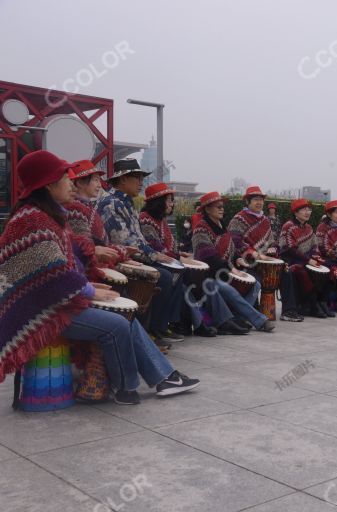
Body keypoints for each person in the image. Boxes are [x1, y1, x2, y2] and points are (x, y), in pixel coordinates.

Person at [0, 150, 200, 405]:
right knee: (116, 325)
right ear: (48, 184)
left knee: (122, 315)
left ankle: (165, 377)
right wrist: (88, 291)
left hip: (51, 301)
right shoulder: (33, 220)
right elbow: (52, 277)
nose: (71, 183)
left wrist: (86, 285)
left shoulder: (44, 215)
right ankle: (126, 388)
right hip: (38, 311)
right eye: (65, 177)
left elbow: (55, 272)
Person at [96, 158, 188, 347]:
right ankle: (153, 331)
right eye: (137, 178)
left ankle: (160, 327)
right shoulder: (111, 203)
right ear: (122, 180)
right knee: (163, 276)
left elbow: (138, 239)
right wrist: (154, 255)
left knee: (176, 272)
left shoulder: (127, 203)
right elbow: (123, 240)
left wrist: (157, 254)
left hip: (135, 255)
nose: (141, 182)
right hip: (119, 257)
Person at [139, 183, 218, 337]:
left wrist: (180, 254)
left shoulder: (161, 220)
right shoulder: (145, 219)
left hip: (166, 263)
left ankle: (185, 324)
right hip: (152, 263)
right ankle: (197, 323)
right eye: (168, 200)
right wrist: (180, 258)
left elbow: (170, 247)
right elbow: (156, 247)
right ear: (158, 201)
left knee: (189, 285)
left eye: (171, 200)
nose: (172, 204)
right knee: (185, 284)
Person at [192, 191, 276, 333]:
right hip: (209, 276)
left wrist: (238, 258)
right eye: (217, 206)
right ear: (207, 209)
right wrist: (232, 269)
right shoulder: (201, 228)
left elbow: (232, 248)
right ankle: (260, 321)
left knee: (255, 284)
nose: (221, 209)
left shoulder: (221, 226)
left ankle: (237, 319)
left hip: (225, 272)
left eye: (222, 206)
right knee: (228, 289)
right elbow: (209, 257)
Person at [228, 186, 302, 322]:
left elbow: (272, 241)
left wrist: (274, 249)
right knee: (254, 279)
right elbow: (235, 241)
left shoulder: (265, 220)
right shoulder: (238, 219)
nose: (259, 202)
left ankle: (289, 311)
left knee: (287, 271)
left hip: (265, 261)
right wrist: (254, 254)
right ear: (247, 202)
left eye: (261, 199)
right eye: (255, 199)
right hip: (246, 262)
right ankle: (252, 312)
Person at [64, 160, 136, 278]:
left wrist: (121, 251)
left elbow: (97, 244)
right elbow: (87, 248)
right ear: (80, 182)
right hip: (89, 271)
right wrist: (120, 252)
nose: (100, 185)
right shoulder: (75, 208)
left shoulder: (87, 206)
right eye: (95, 180)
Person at [279, 198, 333, 318]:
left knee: (329, 267)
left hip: (307, 260)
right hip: (291, 261)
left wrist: (316, 257)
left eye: (309, 209)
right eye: (304, 209)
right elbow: (289, 249)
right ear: (295, 212)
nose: (307, 212)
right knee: (301, 272)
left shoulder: (308, 228)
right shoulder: (288, 226)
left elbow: (314, 246)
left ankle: (321, 302)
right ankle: (312, 305)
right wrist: (308, 260)